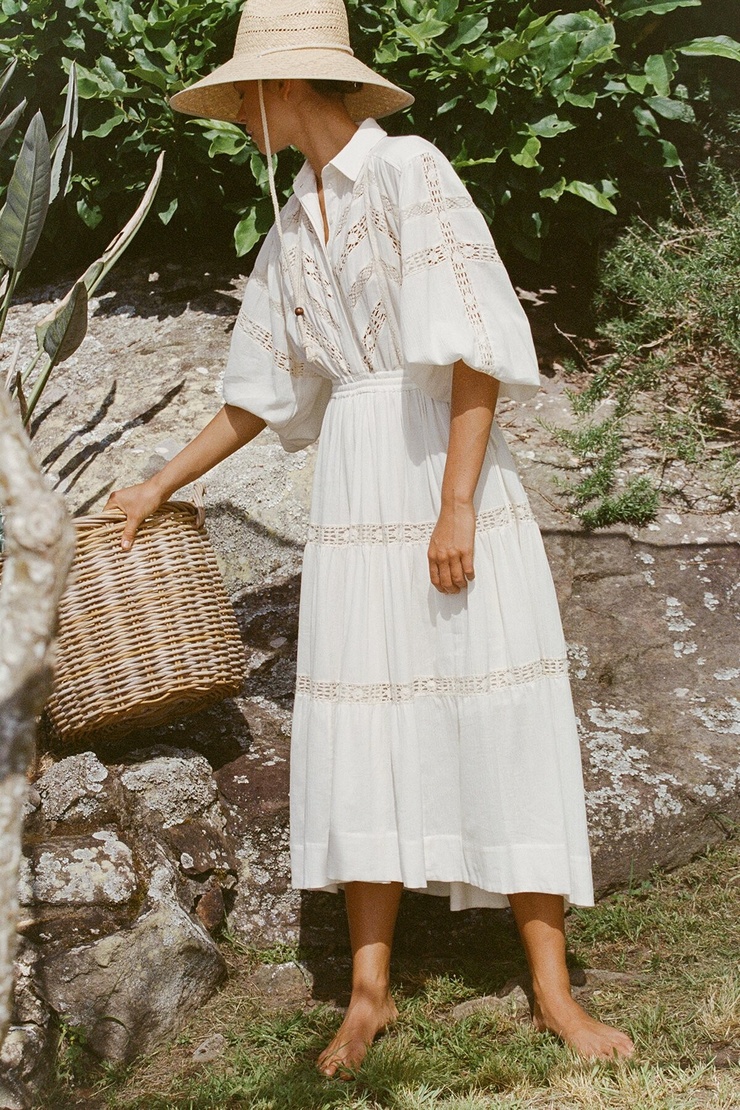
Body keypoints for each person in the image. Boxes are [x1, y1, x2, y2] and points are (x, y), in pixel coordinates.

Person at [108, 0, 635, 1077]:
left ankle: (552, 990)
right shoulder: (290, 224)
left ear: (282, 85)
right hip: (353, 486)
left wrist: (456, 504)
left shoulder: (409, 173)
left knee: (491, 697)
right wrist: (155, 484)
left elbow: (474, 347)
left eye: (241, 97)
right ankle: (367, 994)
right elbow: (257, 394)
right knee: (363, 719)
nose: (235, 117)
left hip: (440, 460)